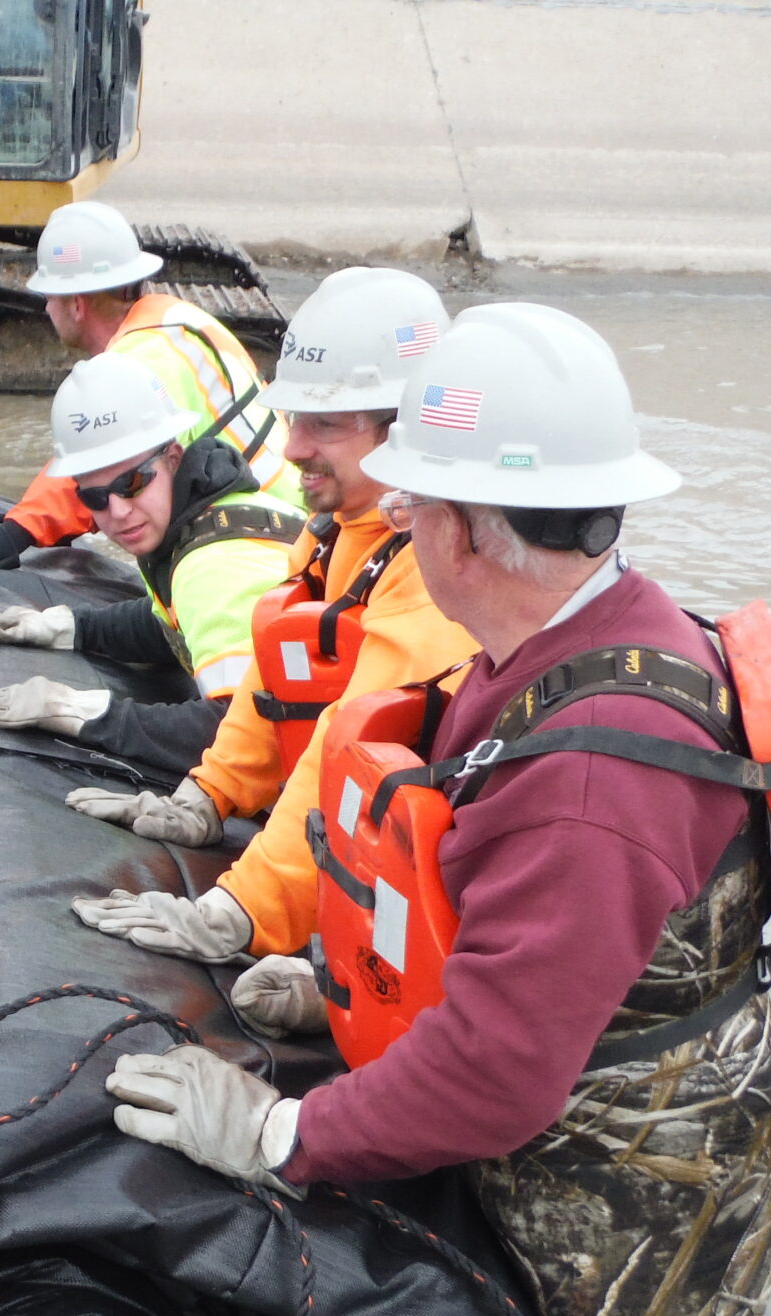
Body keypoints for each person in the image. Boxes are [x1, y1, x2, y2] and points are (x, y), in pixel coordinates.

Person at [102, 303, 771, 1316]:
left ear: (463, 533)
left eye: (413, 507)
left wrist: (273, 1134)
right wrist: (336, 1005)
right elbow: (490, 939)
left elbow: (501, 1075)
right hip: (585, 1099)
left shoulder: (595, 771)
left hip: (647, 1188)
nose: (396, 527)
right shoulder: (558, 649)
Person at [61, 269, 478, 970]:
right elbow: (271, 684)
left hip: (440, 896)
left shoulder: (436, 575)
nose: (291, 449)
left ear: (406, 428)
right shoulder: (336, 533)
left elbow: (348, 752)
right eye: (294, 419)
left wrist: (243, 912)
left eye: (325, 424)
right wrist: (209, 793)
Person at [0, 353, 303, 783]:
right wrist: (71, 628)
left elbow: (244, 733)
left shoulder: (213, 565)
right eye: (94, 498)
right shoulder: (197, 522)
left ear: (172, 457)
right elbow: (173, 625)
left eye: (132, 483)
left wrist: (82, 713)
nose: (118, 512)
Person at [0, 201, 298, 579]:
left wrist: (9, 538)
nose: (47, 309)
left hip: (265, 548)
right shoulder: (176, 320)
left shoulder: (136, 362)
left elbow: (99, 462)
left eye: (50, 297)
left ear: (75, 304)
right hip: (285, 517)